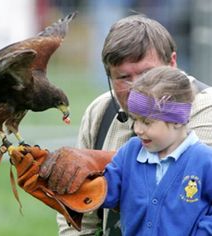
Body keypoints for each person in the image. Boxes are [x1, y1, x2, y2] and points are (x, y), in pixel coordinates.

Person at [49, 13, 212, 236]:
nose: (137, 88)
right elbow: (79, 220)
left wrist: (92, 164)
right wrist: (66, 184)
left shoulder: (206, 108)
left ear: (172, 64)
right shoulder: (101, 112)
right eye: (124, 77)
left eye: (147, 73)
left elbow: (180, 184)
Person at [94, 66, 212, 235]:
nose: (138, 129)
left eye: (147, 122)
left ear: (177, 121)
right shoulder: (130, 152)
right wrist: (80, 186)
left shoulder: (205, 161)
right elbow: (106, 192)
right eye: (135, 119)